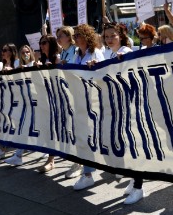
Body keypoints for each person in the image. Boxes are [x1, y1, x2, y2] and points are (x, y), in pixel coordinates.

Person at [72, 23, 134, 193]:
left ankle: (136, 181)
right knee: (115, 138)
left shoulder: (123, 52)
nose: (109, 39)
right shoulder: (107, 53)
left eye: (113, 35)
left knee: (127, 138)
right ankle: (125, 171)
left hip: (121, 102)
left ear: (120, 36)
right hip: (108, 102)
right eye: (106, 37)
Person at [38, 24, 102, 176]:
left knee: (90, 135)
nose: (76, 39)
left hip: (91, 100)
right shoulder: (76, 55)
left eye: (78, 35)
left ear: (87, 37)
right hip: (77, 98)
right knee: (80, 134)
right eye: (75, 36)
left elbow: (102, 74)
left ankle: (88, 168)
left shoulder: (95, 53)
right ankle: (84, 169)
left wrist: (94, 66)